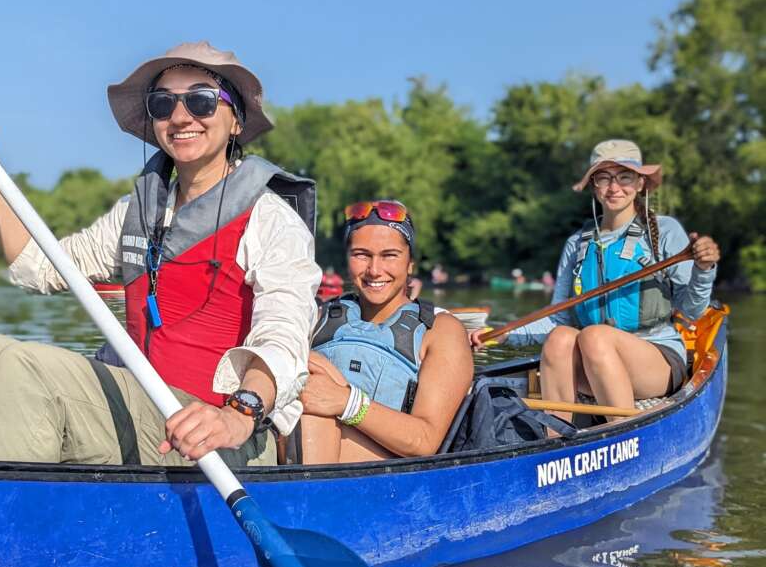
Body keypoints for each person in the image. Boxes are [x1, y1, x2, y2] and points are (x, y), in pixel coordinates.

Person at [0, 42, 321, 467]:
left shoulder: (270, 219)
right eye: (163, 103)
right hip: (141, 404)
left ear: (235, 122)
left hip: (215, 434)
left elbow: (284, 338)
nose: (180, 116)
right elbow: (38, 267)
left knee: (23, 370)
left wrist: (239, 414)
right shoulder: (138, 212)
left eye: (201, 100)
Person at [472, 139, 720, 423]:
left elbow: (692, 310)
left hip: (656, 359)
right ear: (594, 186)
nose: (614, 188)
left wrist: (704, 269)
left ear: (640, 183)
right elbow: (558, 318)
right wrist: (503, 334)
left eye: (624, 177)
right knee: (560, 338)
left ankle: (622, 429)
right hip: (593, 361)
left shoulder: (665, 231)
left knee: (594, 335)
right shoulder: (577, 243)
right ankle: (556, 438)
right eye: (604, 178)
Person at [298, 200, 473, 463]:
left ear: (410, 263)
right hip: (299, 443)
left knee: (313, 405)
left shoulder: (441, 331)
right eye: (361, 254)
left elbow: (424, 441)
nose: (374, 270)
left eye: (389, 255)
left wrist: (346, 402)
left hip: (386, 471)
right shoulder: (317, 316)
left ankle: (308, 495)